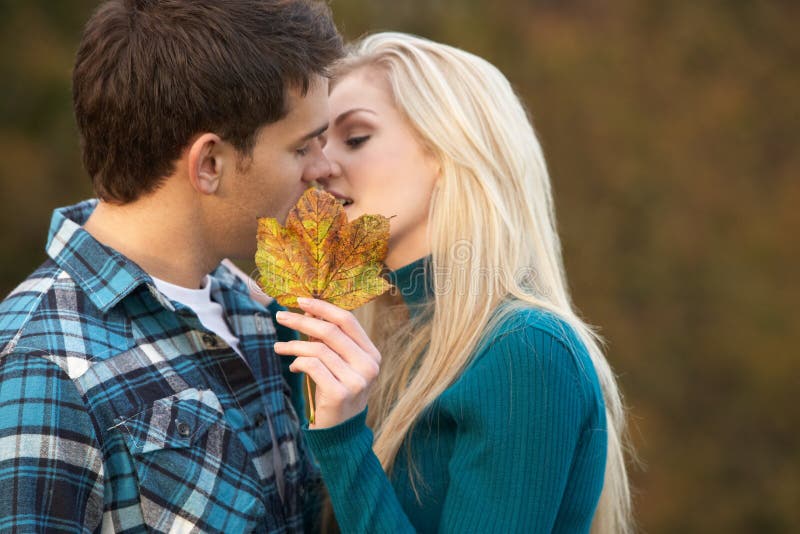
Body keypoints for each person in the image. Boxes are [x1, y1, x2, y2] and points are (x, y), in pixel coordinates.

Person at [0, 0, 347, 531]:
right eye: (302, 148)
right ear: (209, 164)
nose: (324, 169)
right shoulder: (40, 367)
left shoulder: (255, 312)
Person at [272, 33, 634, 533]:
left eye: (355, 138)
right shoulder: (360, 340)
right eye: (315, 144)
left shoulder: (525, 353)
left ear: (450, 150)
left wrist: (342, 440)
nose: (322, 167)